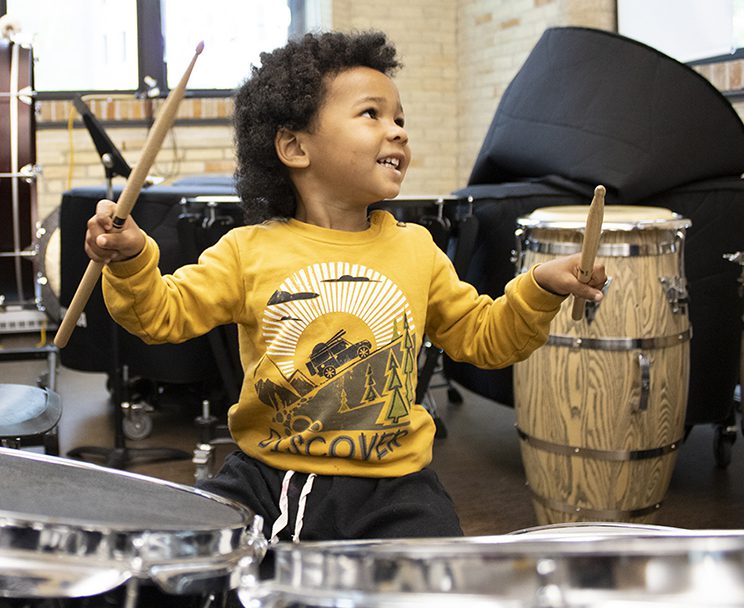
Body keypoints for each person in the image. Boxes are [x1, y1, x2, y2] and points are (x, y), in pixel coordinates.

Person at [84, 31, 607, 542]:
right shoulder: (248, 250)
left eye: (400, 118)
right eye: (371, 114)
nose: (398, 131)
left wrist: (540, 286)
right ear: (294, 146)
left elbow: (486, 338)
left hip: (398, 485)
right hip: (272, 474)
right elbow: (159, 316)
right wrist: (131, 258)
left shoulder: (416, 249)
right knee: (202, 569)